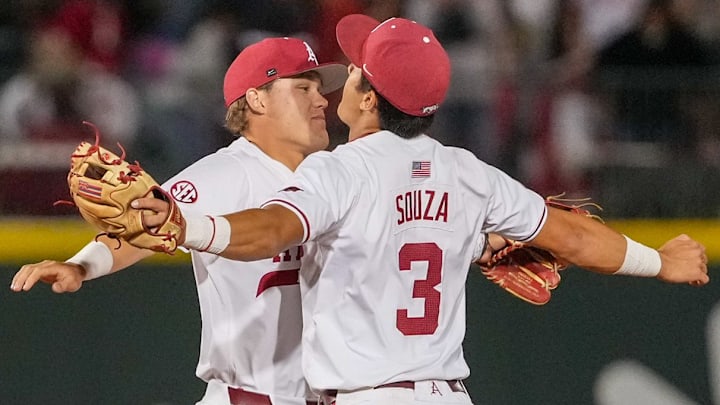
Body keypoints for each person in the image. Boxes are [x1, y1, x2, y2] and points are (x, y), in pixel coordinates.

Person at [99, 15, 714, 405]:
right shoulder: (469, 174)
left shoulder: (336, 171)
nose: (340, 84)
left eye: (355, 71)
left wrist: (191, 227)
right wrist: (659, 262)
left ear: (367, 95)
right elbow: (576, 240)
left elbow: (272, 230)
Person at [10, 37, 347, 405]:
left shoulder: (334, 176)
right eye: (303, 87)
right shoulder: (226, 173)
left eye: (319, 89)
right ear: (257, 99)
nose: (321, 100)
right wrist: (80, 266)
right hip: (251, 396)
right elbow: (142, 228)